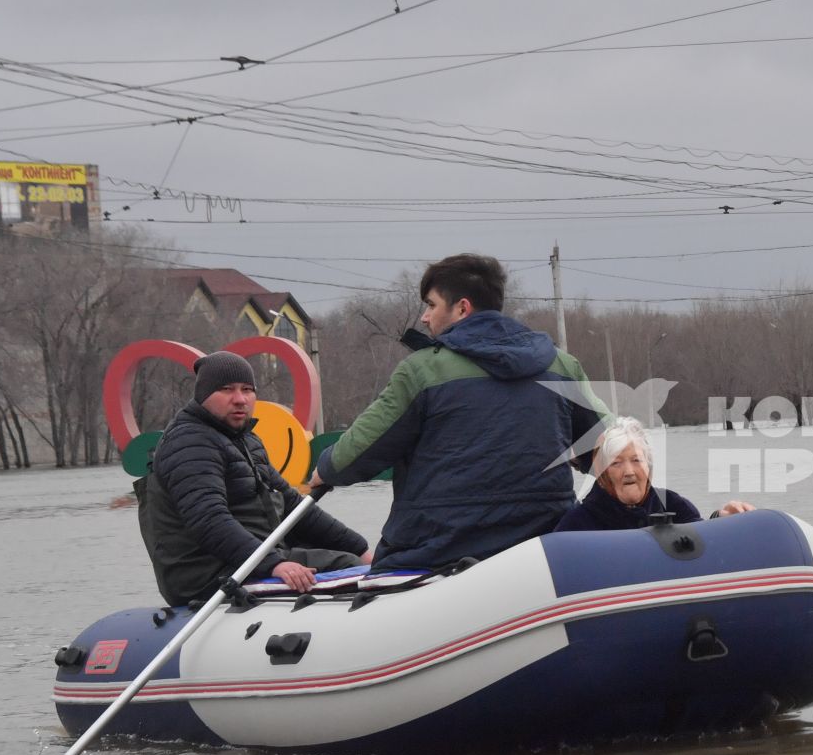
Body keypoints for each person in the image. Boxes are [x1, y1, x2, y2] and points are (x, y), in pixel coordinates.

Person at [311, 253, 607, 569]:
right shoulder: (562, 365)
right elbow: (608, 450)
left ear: (462, 308)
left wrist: (325, 469)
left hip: (437, 551)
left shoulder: (420, 372)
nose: (424, 317)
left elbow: (357, 453)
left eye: (431, 305)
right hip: (545, 551)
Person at [139, 351, 370, 605]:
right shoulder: (189, 443)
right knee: (348, 566)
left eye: (247, 390)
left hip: (252, 558)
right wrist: (274, 564)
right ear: (203, 395)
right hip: (208, 575)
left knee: (353, 558)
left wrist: (361, 547)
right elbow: (209, 520)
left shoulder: (246, 439)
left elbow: (294, 506)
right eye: (227, 390)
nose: (240, 399)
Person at [556, 417, 753, 532]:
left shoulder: (674, 505)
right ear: (601, 473)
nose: (629, 472)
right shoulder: (577, 523)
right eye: (616, 463)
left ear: (648, 466)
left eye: (636, 460)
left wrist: (722, 521)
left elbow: (703, 541)